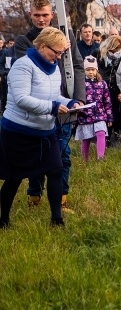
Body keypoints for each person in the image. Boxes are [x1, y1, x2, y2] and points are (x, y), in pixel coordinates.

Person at [0, 27, 82, 228]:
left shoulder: (53, 67)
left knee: (55, 170)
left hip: (45, 132)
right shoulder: (22, 66)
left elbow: (54, 96)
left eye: (62, 53)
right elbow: (21, 99)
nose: (59, 57)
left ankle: (57, 220)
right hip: (18, 132)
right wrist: (53, 108)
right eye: (57, 52)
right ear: (43, 46)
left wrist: (71, 103)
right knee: (15, 178)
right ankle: (3, 220)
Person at [14, 0, 85, 211]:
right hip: (37, 107)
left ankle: (61, 199)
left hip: (63, 104)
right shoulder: (24, 40)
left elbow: (78, 66)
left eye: (45, 15)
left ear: (52, 15)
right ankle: (34, 194)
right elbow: (26, 71)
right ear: (30, 15)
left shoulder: (67, 35)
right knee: (37, 154)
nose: (41, 19)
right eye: (37, 15)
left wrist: (78, 97)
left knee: (62, 155)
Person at [75, 56, 113, 161]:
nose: (90, 72)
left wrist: (109, 117)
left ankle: (100, 157)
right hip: (85, 115)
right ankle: (85, 160)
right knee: (86, 138)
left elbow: (107, 101)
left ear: (96, 70)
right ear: (84, 70)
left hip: (100, 114)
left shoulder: (102, 83)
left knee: (101, 133)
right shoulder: (81, 84)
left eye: (93, 69)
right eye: (88, 70)